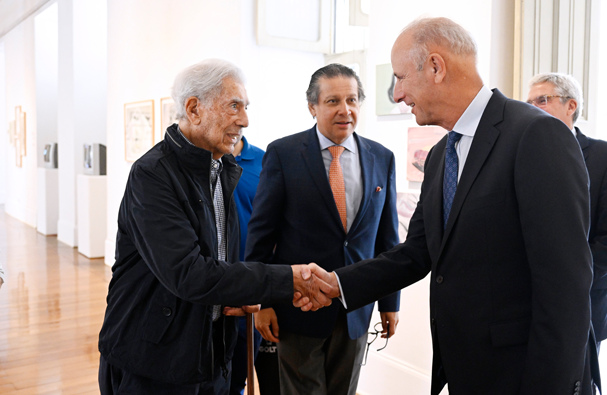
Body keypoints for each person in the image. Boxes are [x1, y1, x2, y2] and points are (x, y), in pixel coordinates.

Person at [309, 18, 598, 395]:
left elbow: (566, 285)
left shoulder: (536, 135)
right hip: (466, 370)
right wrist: (337, 284)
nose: (396, 94)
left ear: (435, 67)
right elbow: (416, 253)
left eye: (400, 78)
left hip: (524, 375)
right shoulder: (440, 155)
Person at [98, 59, 328, 395]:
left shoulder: (221, 169)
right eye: (234, 106)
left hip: (210, 350)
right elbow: (188, 273)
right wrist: (286, 279)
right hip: (154, 359)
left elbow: (220, 260)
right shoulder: (152, 174)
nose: (245, 120)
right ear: (194, 109)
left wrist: (244, 294)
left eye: (245, 107)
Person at [246, 63, 400, 395]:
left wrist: (390, 303)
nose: (345, 110)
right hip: (298, 308)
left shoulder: (382, 157)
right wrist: (263, 302)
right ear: (312, 107)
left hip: (357, 308)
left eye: (352, 100)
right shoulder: (283, 154)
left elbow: (387, 239)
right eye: (332, 101)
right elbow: (262, 234)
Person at [527, 72, 607, 393]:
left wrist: (565, 284)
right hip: (524, 305)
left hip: (582, 304)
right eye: (528, 102)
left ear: (571, 105)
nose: (533, 108)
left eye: (542, 100)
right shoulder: (521, 155)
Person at [228, 135, 269, 395]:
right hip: (207, 285)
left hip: (249, 287)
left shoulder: (265, 161)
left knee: (238, 374)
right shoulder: (200, 161)